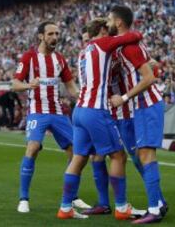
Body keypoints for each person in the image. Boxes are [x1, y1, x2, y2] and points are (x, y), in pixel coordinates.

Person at [56, 18, 142, 220]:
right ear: (103, 30)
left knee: (79, 157)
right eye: (108, 30)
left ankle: (65, 206)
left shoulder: (83, 51)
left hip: (79, 110)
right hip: (96, 110)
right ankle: (121, 207)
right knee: (118, 156)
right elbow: (134, 36)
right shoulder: (102, 43)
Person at [12, 21, 90, 213]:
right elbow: (15, 83)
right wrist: (28, 85)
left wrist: (84, 97)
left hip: (57, 112)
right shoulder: (29, 57)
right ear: (41, 36)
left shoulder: (60, 59)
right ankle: (23, 199)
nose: (55, 37)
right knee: (33, 148)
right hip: (37, 112)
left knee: (77, 151)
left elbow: (71, 86)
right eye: (51, 34)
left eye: (57, 34)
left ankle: (73, 197)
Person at [108, 5, 167, 224]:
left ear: (119, 22)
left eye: (109, 19)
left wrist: (123, 98)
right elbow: (151, 65)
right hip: (142, 106)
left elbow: (149, 77)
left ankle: (154, 210)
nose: (108, 23)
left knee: (146, 155)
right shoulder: (126, 45)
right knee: (141, 156)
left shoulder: (129, 47)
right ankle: (158, 203)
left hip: (147, 104)